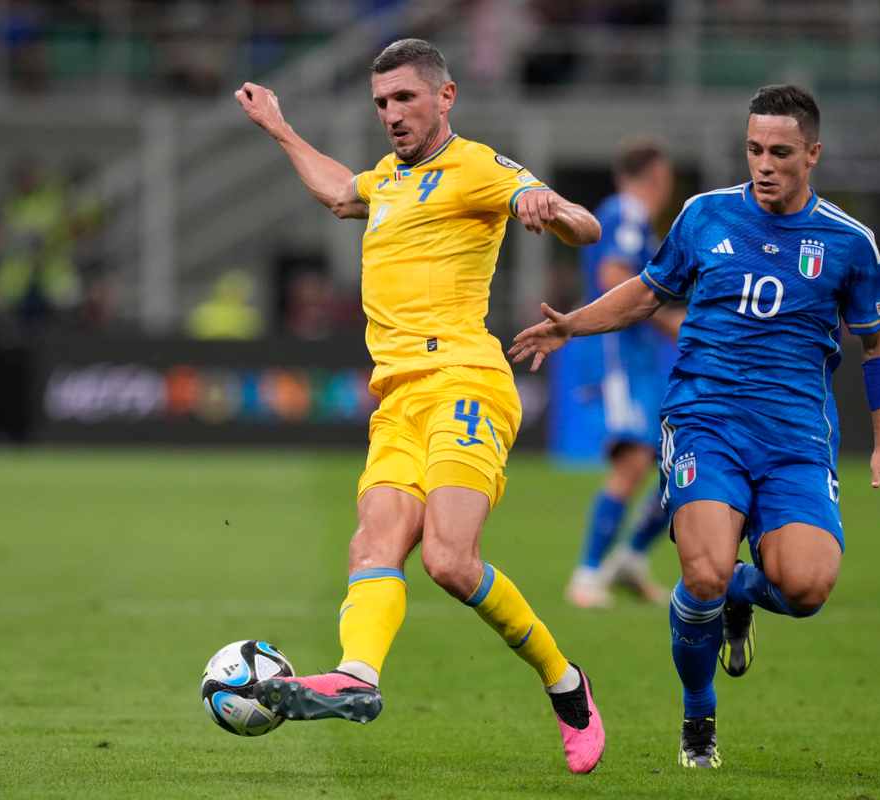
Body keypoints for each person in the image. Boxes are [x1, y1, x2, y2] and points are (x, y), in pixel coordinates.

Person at [233, 38, 606, 773]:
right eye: (381, 103)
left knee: (446, 559)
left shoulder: (476, 166)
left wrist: (547, 205)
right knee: (371, 545)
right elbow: (342, 191)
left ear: (445, 97)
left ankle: (566, 684)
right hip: (397, 397)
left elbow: (585, 226)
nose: (392, 115)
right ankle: (357, 678)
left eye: (405, 98)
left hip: (465, 383)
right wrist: (279, 126)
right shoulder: (386, 181)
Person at [511, 85, 880, 769]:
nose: (764, 163)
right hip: (705, 420)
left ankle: (742, 600)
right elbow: (647, 290)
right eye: (754, 149)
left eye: (780, 152)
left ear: (813, 154)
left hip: (796, 440)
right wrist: (574, 324)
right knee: (703, 573)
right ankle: (699, 715)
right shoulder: (704, 216)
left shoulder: (849, 243)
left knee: (807, 588)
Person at [566, 136, 681, 609]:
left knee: (671, 467)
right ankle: (587, 575)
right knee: (634, 461)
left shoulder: (631, 218)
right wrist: (665, 318)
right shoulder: (627, 212)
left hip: (637, 359)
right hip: (618, 355)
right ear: (658, 176)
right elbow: (613, 277)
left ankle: (630, 559)